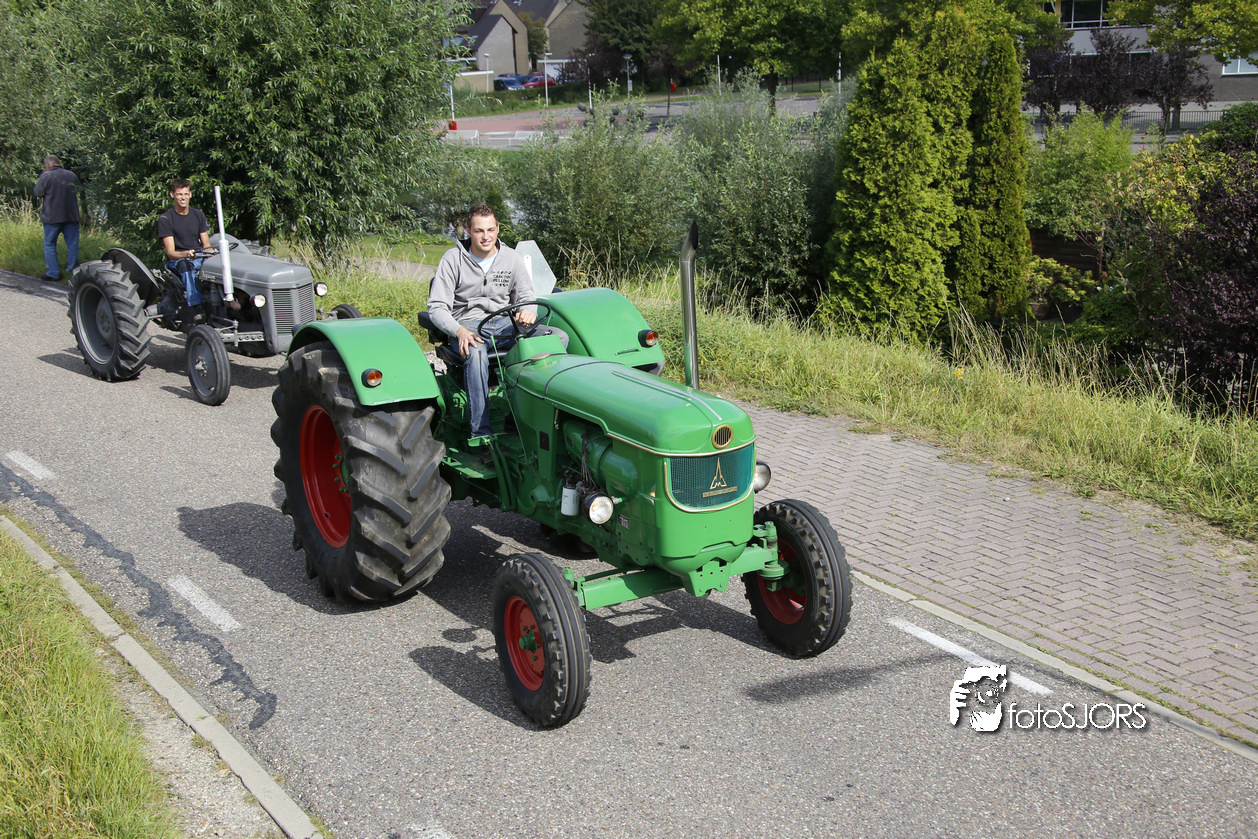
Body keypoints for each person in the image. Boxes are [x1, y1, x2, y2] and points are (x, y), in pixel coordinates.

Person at [427, 203, 567, 455]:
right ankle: (481, 434)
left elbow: (526, 297)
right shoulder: (452, 259)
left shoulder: (511, 258)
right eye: (479, 230)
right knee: (476, 352)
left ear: (498, 228)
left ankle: (522, 416)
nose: (486, 236)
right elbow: (437, 307)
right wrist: (458, 331)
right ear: (468, 230)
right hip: (468, 325)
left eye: (490, 229)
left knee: (557, 337)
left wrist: (528, 311)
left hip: (505, 322)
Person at [157, 178, 215, 307]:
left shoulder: (198, 215)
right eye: (179, 194)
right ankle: (196, 306)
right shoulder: (166, 219)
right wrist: (186, 254)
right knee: (186, 265)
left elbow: (206, 244)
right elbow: (171, 253)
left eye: (185, 194)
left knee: (219, 264)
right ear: (172, 195)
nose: (183, 198)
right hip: (179, 260)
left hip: (199, 256)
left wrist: (211, 253)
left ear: (190, 195)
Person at [34, 155, 80, 282]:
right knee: (72, 244)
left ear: (48, 165)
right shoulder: (72, 175)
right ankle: (73, 272)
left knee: (50, 244)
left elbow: (38, 193)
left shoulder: (46, 175)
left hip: (52, 217)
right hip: (71, 215)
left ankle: (53, 273)